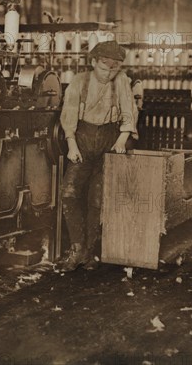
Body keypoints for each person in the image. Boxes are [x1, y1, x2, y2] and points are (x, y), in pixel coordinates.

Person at [57, 40, 138, 272]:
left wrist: (122, 140)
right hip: (82, 139)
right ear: (93, 62)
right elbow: (69, 114)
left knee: (97, 199)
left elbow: (128, 111)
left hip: (109, 141)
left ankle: (90, 252)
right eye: (104, 68)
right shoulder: (79, 81)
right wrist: (71, 144)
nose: (108, 74)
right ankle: (77, 248)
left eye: (114, 69)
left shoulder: (120, 81)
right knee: (69, 193)